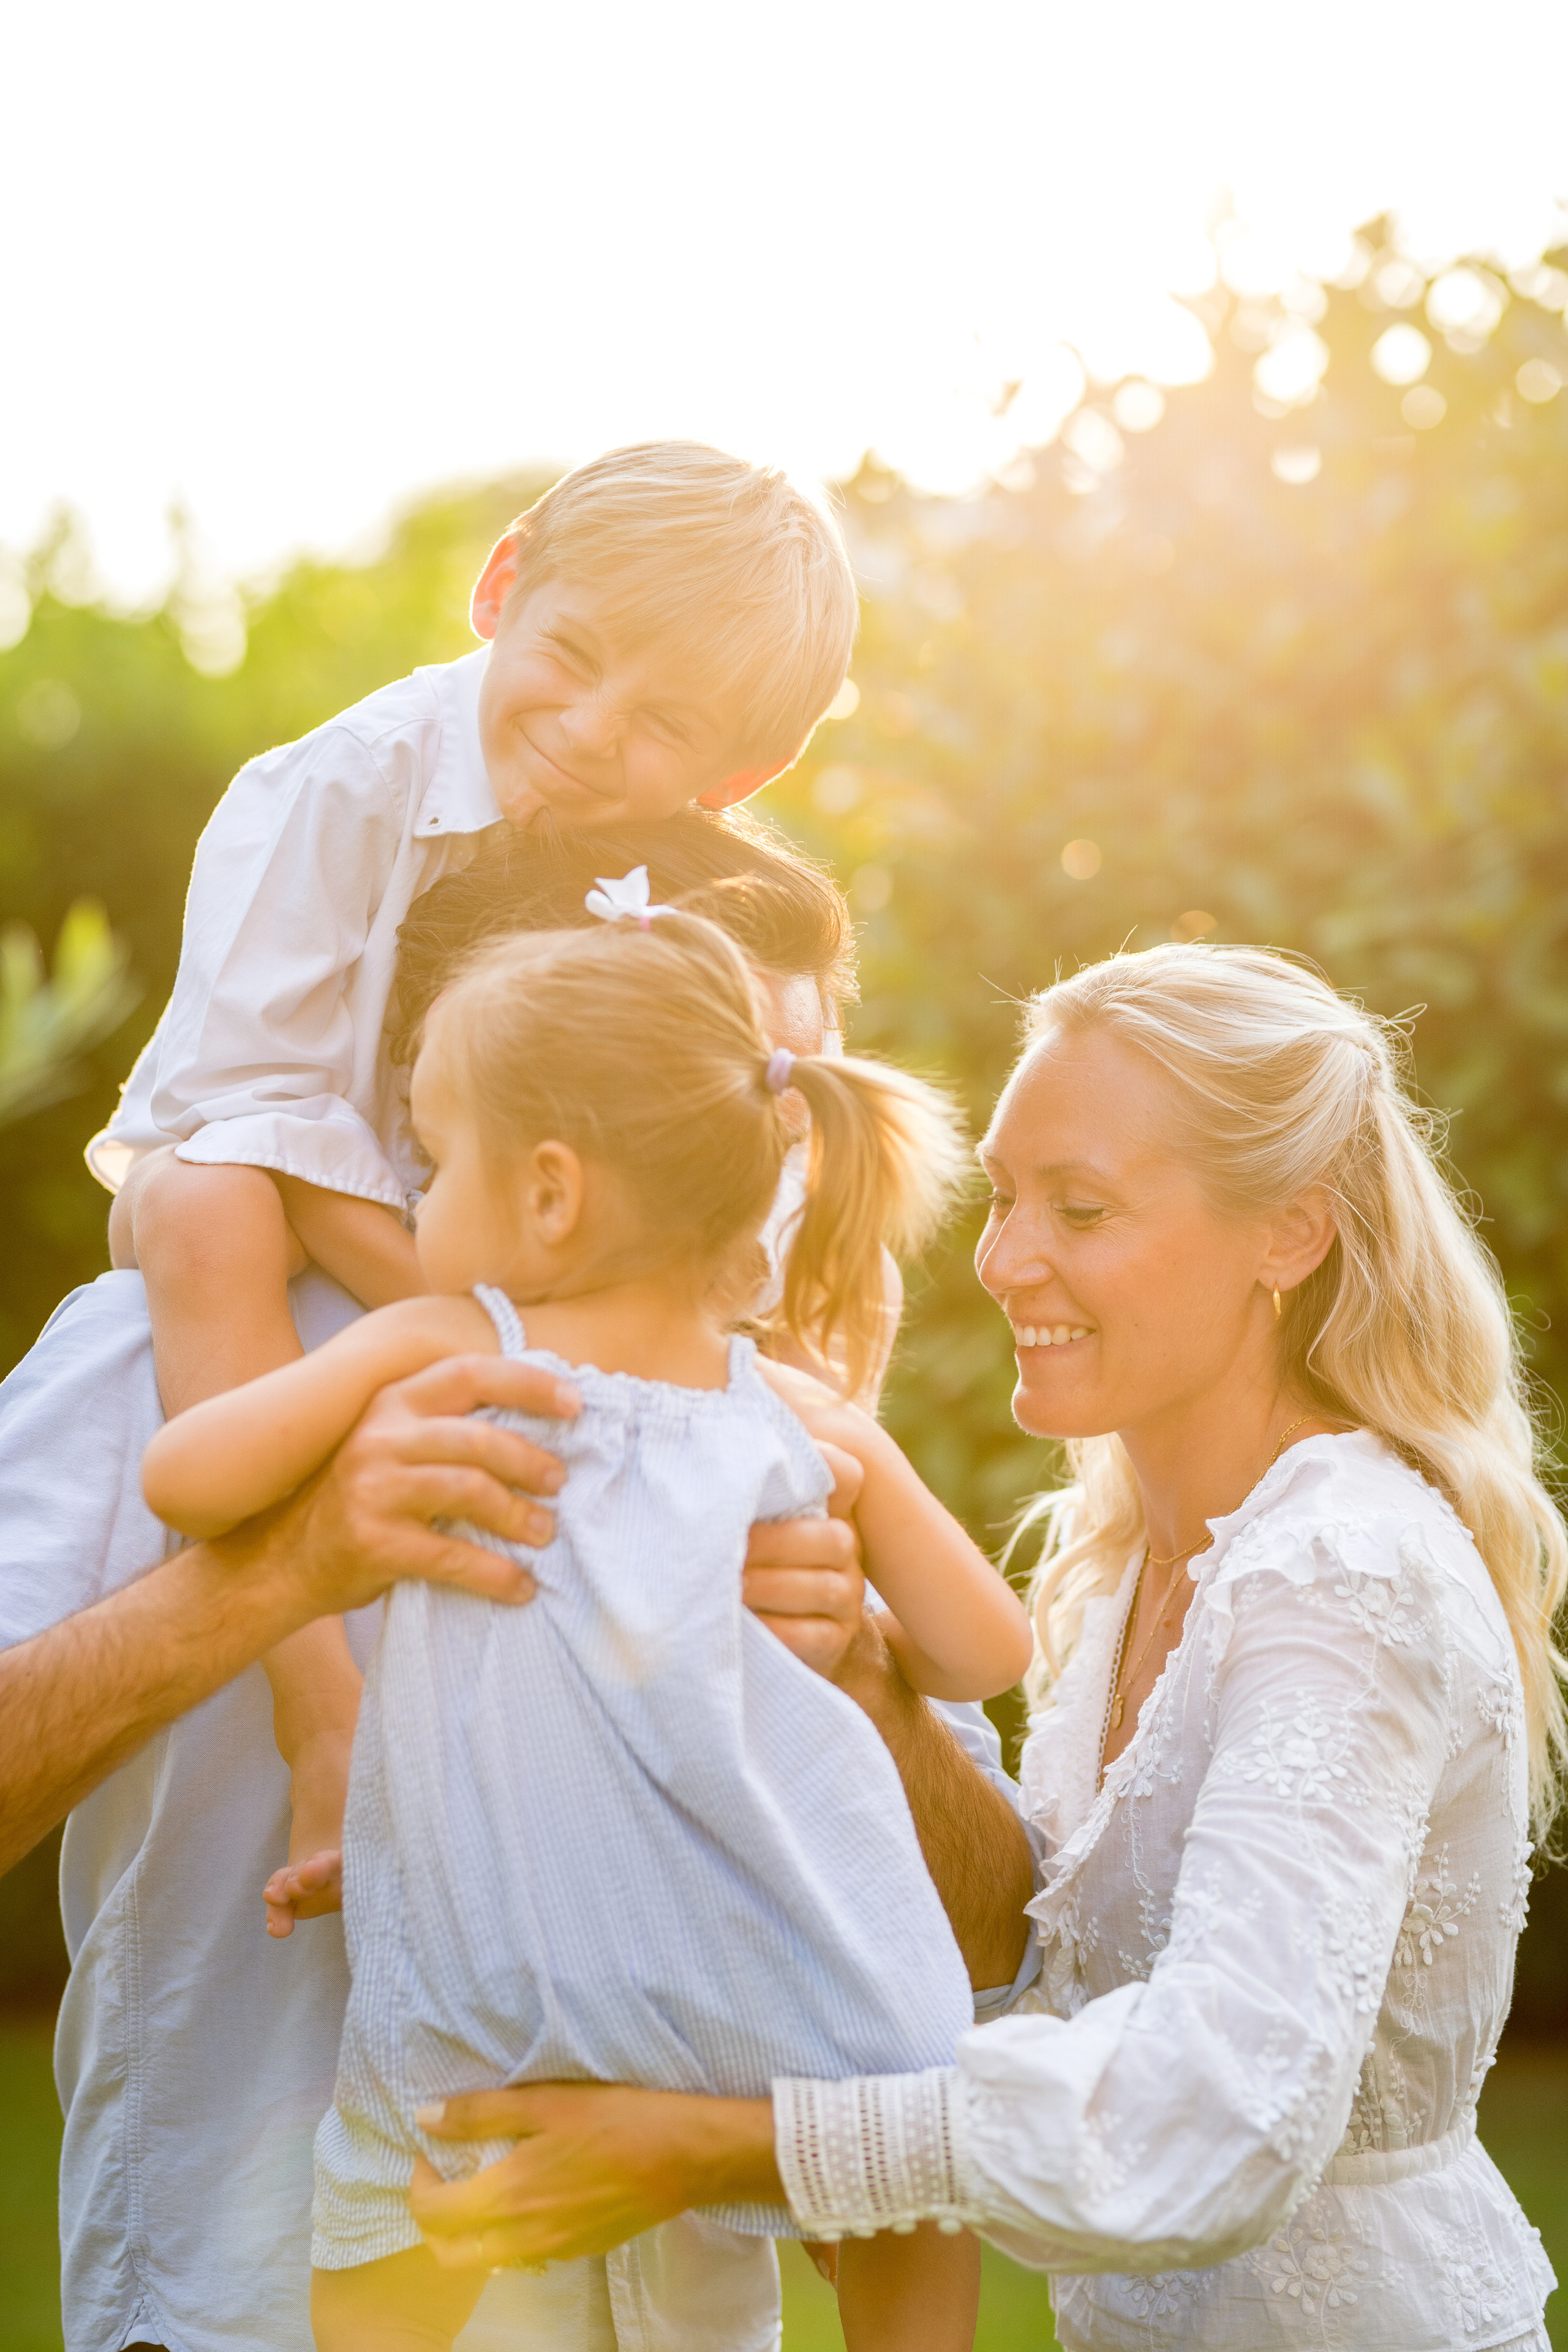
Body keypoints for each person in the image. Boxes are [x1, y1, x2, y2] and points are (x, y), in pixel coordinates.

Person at [399, 941, 1561, 2350]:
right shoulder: (1126, 1548)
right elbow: (1037, 1973)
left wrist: (722, 2148)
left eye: (1077, 1208)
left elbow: (1223, 2119)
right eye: (1005, 1198)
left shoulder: (1341, 1572)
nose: (1004, 1260)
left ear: (1289, 1234)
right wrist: (852, 1689)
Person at [0, 834, 1035, 2352]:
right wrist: (289, 1570)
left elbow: (996, 1947)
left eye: (780, 1092)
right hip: (240, 2305)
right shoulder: (166, 1349)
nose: (766, 1148)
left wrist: (863, 1679)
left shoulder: (770, 1429)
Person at [92, 441, 859, 1904]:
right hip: (263, 1179)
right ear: (505, 585)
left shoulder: (677, 889)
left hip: (493, 1240)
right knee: (205, 1204)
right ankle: (316, 1706)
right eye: (571, 657)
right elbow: (268, 1119)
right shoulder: (336, 788)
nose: (585, 729)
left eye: (661, 723)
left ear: (732, 775)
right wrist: (484, 1318)